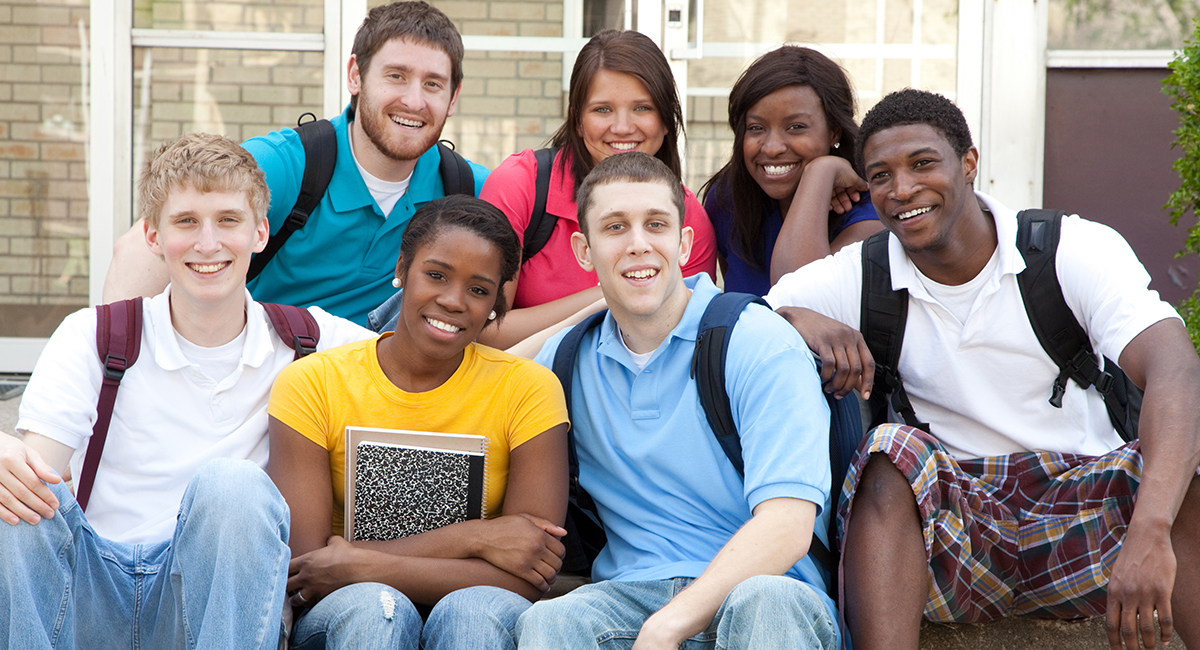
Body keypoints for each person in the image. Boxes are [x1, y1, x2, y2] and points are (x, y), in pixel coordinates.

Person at [765, 89, 1200, 650]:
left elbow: (1176, 369)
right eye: (881, 176)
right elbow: (748, 322)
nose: (902, 190)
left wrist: (1151, 530)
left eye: (922, 164)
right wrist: (796, 317)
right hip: (959, 527)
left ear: (968, 164)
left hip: (1087, 510)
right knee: (887, 451)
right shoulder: (865, 273)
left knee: (1178, 469)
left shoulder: (1069, 248)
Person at [0, 133, 373, 649]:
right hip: (90, 588)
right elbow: (36, 476)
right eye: (186, 222)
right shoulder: (94, 334)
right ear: (153, 236)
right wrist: (6, 453)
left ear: (260, 231)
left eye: (227, 220)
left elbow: (437, 358)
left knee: (234, 486)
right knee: (13, 500)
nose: (207, 243)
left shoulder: (309, 340)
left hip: (212, 603)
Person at [515, 152, 839, 650]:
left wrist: (670, 625)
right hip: (629, 595)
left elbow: (787, 525)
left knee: (768, 603)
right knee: (550, 623)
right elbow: (479, 384)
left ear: (684, 242)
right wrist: (605, 300)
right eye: (615, 228)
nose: (639, 244)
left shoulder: (755, 341)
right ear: (585, 251)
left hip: (761, 592)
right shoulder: (565, 359)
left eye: (657, 225)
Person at [266, 194, 570, 650]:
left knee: (473, 610)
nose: (452, 300)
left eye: (479, 289)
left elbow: (529, 573)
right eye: (436, 275)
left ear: (496, 304)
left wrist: (363, 563)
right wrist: (478, 538)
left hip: (473, 614)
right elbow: (310, 570)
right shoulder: (314, 382)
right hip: (351, 615)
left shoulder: (529, 389)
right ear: (401, 269)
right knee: (374, 606)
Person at [103, 1, 489, 327]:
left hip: (375, 401)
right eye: (396, 76)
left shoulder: (467, 189)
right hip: (260, 386)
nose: (414, 100)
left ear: (453, 98)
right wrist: (113, 379)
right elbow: (139, 252)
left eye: (433, 84)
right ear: (356, 75)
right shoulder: (289, 165)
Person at [456, 29, 717, 349]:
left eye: (642, 108)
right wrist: (607, 294)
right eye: (602, 109)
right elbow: (482, 330)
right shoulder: (520, 183)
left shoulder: (688, 216)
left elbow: (685, 344)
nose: (622, 127)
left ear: (666, 121)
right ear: (577, 120)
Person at [701, 46, 881, 297]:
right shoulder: (728, 199)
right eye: (756, 128)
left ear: (834, 131)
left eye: (796, 127)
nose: (772, 148)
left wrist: (821, 171)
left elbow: (802, 299)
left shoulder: (874, 210)